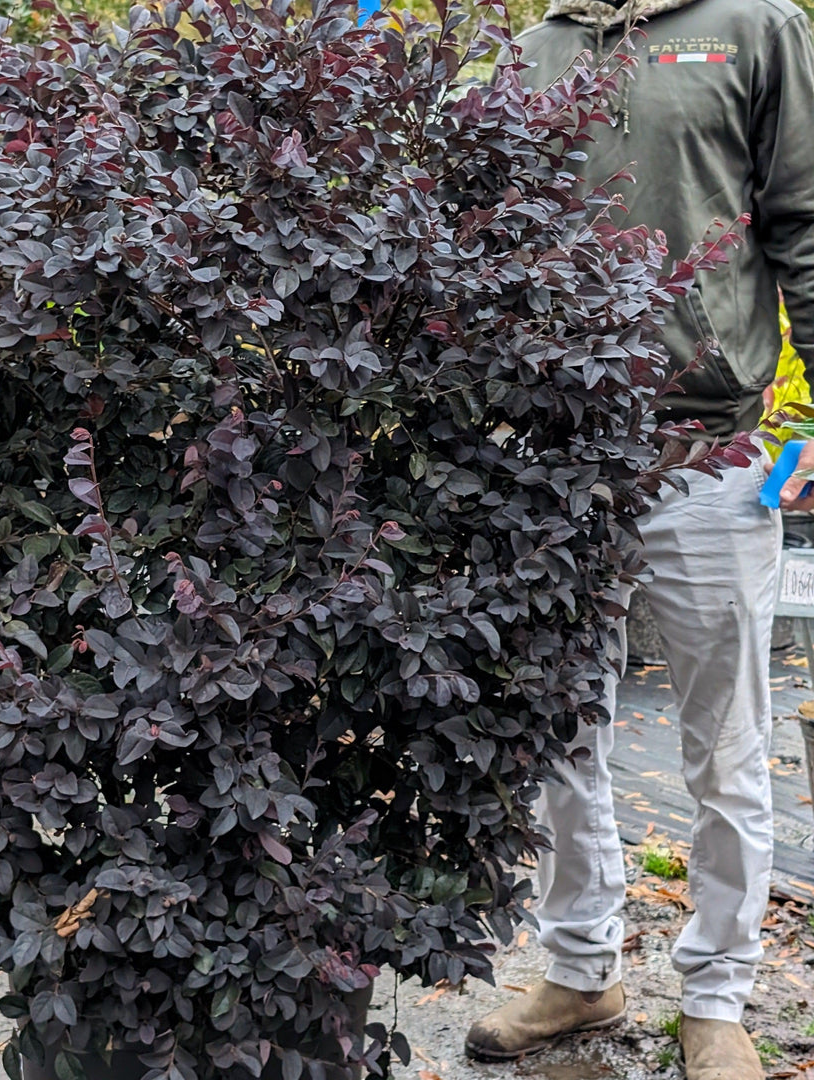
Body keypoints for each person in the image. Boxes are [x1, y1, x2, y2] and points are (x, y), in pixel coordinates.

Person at [465, 2, 814, 1078]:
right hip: (559, 453)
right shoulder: (529, 52)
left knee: (725, 745)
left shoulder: (756, 25)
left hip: (710, 451)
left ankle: (716, 1000)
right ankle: (581, 971)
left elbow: (805, 219)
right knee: (565, 734)